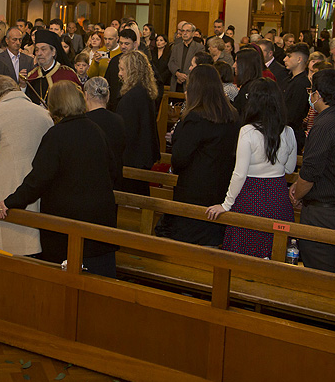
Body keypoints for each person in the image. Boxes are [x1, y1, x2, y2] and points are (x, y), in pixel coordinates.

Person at [0, 81, 118, 277]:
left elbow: (38, 179)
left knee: (64, 282)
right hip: (99, 219)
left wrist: (10, 202)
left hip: (67, 223)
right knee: (99, 281)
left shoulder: (57, 135)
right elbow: (113, 171)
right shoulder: (96, 130)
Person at [207, 78, 296, 258]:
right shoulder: (288, 131)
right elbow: (289, 169)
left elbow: (239, 173)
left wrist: (226, 204)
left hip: (251, 196)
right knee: (272, 251)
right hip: (278, 196)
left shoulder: (248, 131)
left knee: (244, 251)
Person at [157, 65, 239, 246]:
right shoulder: (232, 115)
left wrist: (177, 137)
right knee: (211, 238)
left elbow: (179, 158)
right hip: (221, 187)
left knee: (189, 240)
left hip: (195, 189)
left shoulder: (195, 117)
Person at [289, 69, 335, 273]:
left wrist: (297, 193)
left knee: (320, 272)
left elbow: (311, 171)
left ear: (317, 95)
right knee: (330, 266)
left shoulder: (323, 126)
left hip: (324, 212)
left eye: (311, 91)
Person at [0, 75, 53, 255]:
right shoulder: (44, 113)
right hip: (38, 189)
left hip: (6, 187)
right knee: (33, 243)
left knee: (5, 248)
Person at [116, 50, 160, 194]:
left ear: (133, 70)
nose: (120, 74)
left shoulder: (131, 98)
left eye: (122, 69)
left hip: (132, 162)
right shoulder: (144, 92)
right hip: (143, 158)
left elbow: (126, 134)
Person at [84, 77, 126, 186]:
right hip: (113, 181)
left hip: (89, 182)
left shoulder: (83, 121)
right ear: (108, 96)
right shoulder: (119, 120)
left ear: (86, 95)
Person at [23, 28, 81, 107]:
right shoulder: (32, 76)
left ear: (53, 52)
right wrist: (22, 85)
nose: (39, 53)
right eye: (36, 50)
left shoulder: (67, 75)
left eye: (43, 49)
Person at [168, 22, 204, 92]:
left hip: (190, 82)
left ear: (193, 33)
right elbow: (171, 63)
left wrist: (184, 76)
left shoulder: (199, 48)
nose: (184, 33)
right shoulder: (176, 47)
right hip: (176, 82)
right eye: (183, 31)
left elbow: (199, 65)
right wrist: (177, 74)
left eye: (187, 31)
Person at [232, 48, 264, 116]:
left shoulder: (249, 88)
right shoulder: (252, 85)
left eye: (236, 62)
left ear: (245, 65)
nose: (234, 65)